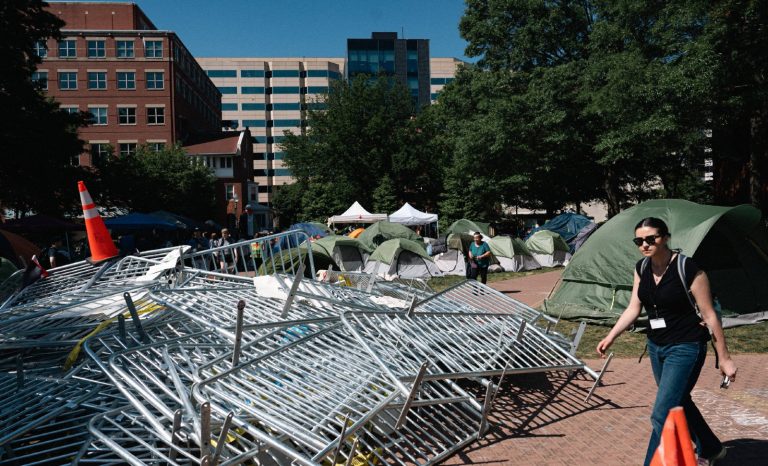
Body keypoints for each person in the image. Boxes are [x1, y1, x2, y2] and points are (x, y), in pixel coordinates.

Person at [596, 217, 736, 466]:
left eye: (651, 239)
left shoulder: (689, 268)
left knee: (662, 412)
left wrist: (724, 358)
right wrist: (611, 335)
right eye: (639, 241)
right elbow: (633, 307)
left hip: (686, 346)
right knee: (678, 400)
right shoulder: (641, 267)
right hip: (656, 346)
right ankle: (712, 448)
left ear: (666, 237)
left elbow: (709, 315)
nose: (645, 245)